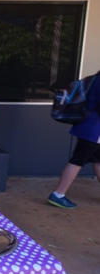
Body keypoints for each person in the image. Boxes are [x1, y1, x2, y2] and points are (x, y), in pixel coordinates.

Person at [48, 71, 100, 208]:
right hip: (94, 131)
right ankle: (58, 194)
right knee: (77, 161)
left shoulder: (93, 79)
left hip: (87, 126)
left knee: (98, 161)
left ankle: (58, 194)